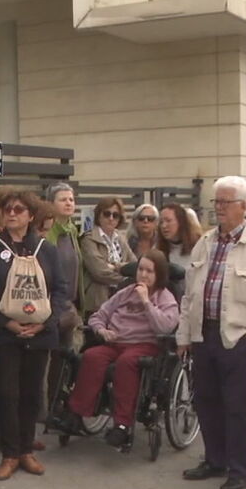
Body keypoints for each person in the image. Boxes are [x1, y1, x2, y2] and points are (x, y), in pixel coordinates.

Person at [177, 176, 246, 489]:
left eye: (226, 202)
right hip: (202, 335)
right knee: (206, 401)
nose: (219, 208)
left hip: (236, 339)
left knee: (235, 406)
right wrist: (184, 335)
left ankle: (238, 471)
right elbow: (190, 295)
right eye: (216, 202)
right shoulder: (205, 242)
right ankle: (214, 460)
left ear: (244, 207)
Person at [0, 188, 68, 480]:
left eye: (19, 209)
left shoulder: (48, 250)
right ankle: (9, 453)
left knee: (31, 394)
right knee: (6, 393)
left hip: (40, 335)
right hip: (5, 335)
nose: (12, 213)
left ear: (31, 216)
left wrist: (46, 323)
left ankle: (26, 450)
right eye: (7, 209)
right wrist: (6, 323)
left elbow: (59, 291)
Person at [67, 250, 179, 448]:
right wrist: (102, 330)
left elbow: (165, 327)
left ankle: (122, 424)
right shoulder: (125, 292)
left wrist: (146, 302)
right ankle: (77, 413)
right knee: (91, 356)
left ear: (159, 275)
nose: (143, 275)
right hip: (115, 342)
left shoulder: (165, 298)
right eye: (141, 270)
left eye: (149, 271)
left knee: (126, 363)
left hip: (144, 345)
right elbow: (98, 316)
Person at [42, 183, 85, 418]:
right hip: (51, 306)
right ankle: (45, 409)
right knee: (48, 360)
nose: (69, 203)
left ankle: (58, 403)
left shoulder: (72, 231)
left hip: (70, 305)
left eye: (71, 199)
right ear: (51, 204)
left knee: (64, 358)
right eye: (63, 199)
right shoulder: (49, 233)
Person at [80, 197, 135, 316]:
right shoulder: (88, 239)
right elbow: (99, 271)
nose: (111, 218)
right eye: (107, 214)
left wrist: (114, 266)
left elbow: (135, 266)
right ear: (98, 215)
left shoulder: (121, 237)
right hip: (98, 302)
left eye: (115, 215)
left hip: (123, 301)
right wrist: (126, 279)